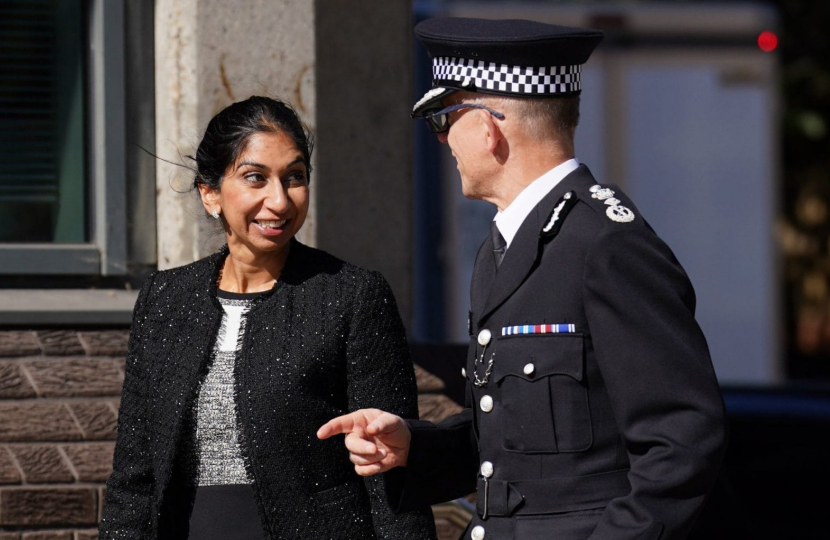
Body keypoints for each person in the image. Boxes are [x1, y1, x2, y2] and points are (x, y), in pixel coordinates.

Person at [318, 18, 727, 540]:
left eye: (445, 120)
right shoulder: (503, 247)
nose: (443, 139)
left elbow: (682, 440)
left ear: (488, 128)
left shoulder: (605, 244)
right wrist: (416, 447)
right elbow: (514, 444)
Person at [99, 96, 437, 540]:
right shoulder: (166, 299)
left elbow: (390, 472)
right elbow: (135, 474)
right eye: (255, 178)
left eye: (294, 178)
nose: (278, 201)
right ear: (211, 193)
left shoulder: (352, 296)